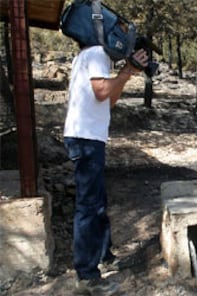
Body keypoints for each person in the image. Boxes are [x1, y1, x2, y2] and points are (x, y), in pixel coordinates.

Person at [63, 45, 148, 295]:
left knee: (98, 203)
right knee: (88, 207)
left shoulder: (91, 56)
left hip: (89, 138)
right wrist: (127, 71)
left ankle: (104, 256)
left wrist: (126, 72)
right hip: (86, 138)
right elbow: (102, 92)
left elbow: (109, 100)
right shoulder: (98, 53)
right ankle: (87, 277)